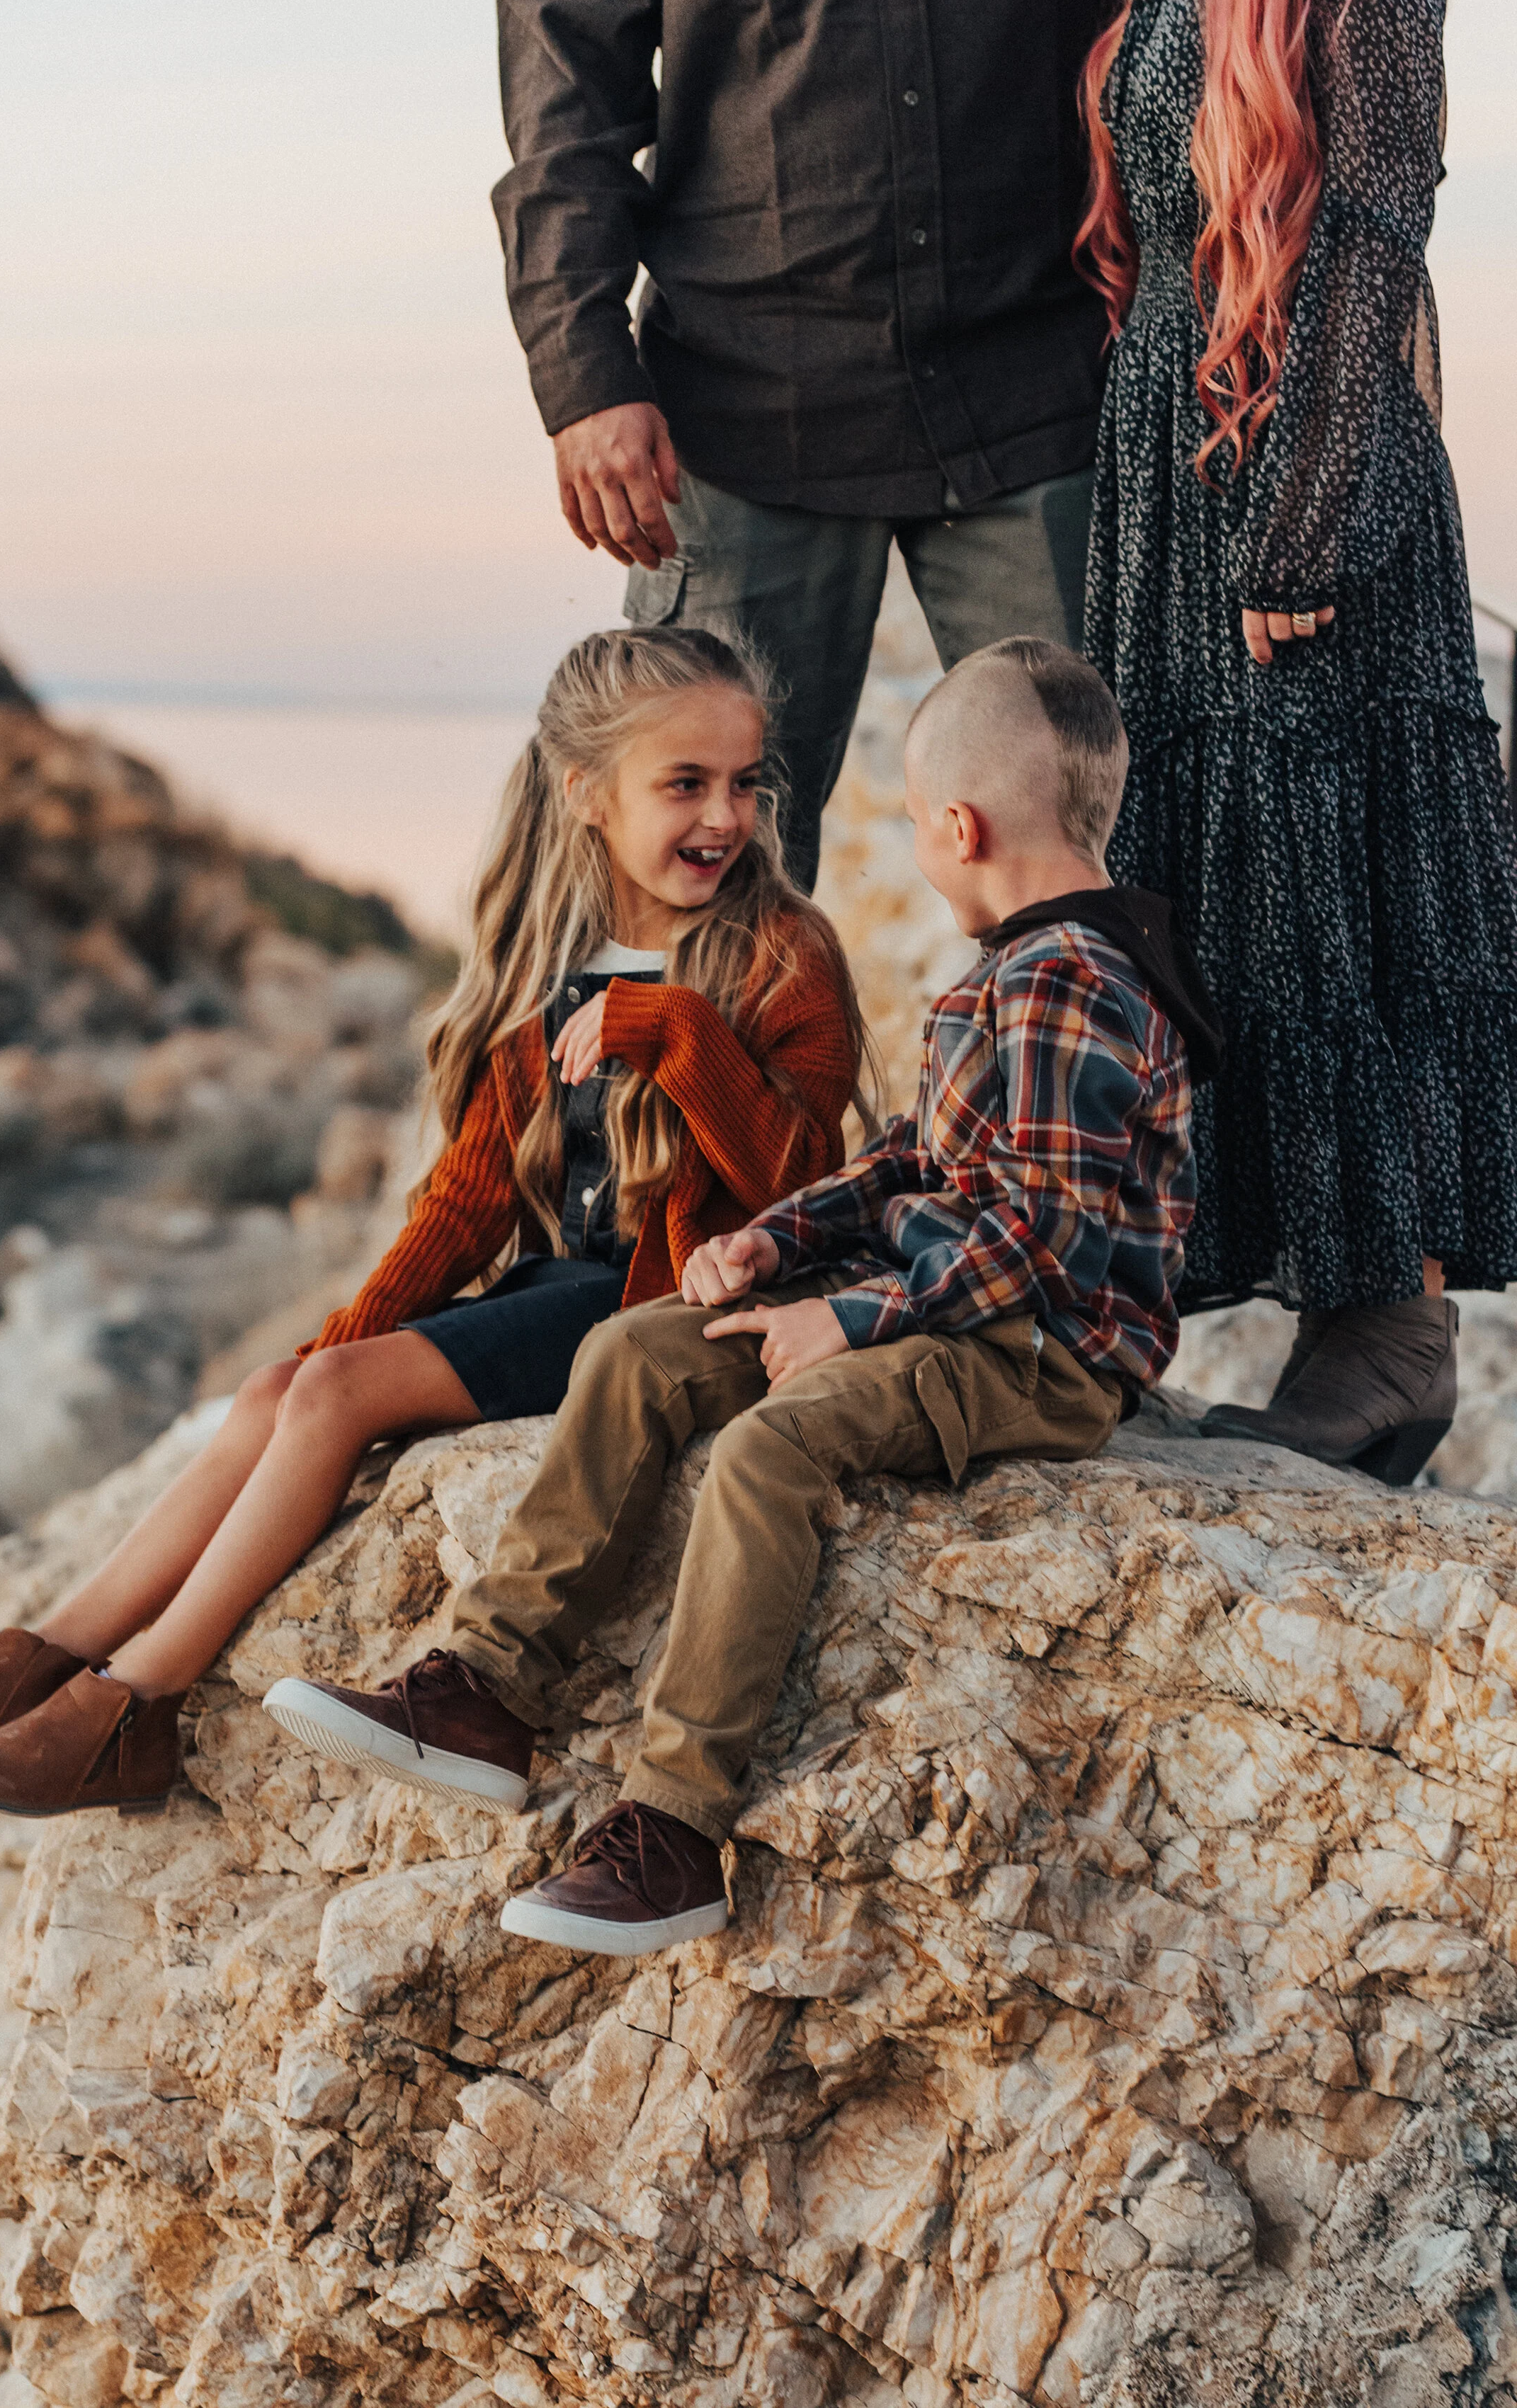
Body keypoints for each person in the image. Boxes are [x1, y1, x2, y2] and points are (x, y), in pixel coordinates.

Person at [263, 639, 1222, 1953]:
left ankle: (675, 1830)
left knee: (772, 1446)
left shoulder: (1069, 984)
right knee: (643, 1348)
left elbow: (1042, 1246)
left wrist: (850, 1319)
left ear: (960, 825)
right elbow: (906, 1163)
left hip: (1043, 1350)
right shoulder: (1014, 964)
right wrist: (773, 1247)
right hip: (946, 1301)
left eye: (912, 828)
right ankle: (488, 1684)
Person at [0, 628, 865, 1818]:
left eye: (743, 781)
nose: (724, 815)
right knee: (282, 1387)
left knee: (331, 1401)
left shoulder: (781, 952)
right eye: (685, 783)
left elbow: (798, 1175)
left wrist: (678, 1032)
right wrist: (344, 1331)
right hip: (565, 1288)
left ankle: (131, 1703)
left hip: (668, 1308)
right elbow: (465, 1206)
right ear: (587, 792)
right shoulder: (553, 961)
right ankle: (32, 1661)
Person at [1078, 0, 1517, 1481]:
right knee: (1228, 896)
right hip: (1179, 453)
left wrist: (1308, 513)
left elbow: (1383, 206)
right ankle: (1273, 1314)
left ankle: (1388, 1336)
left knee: (1340, 885)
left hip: (1292, 461)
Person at [494, 0, 1164, 889]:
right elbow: (565, 79)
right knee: (703, 890)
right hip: (740, 417)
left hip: (1038, 395)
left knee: (1116, 864)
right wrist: (583, 370)